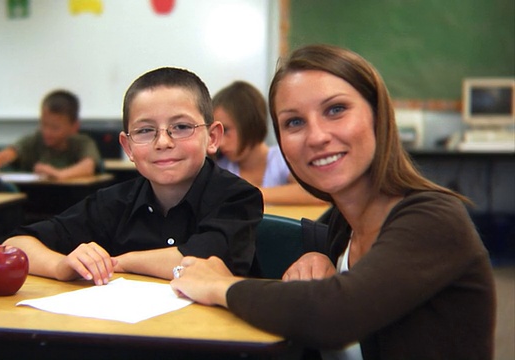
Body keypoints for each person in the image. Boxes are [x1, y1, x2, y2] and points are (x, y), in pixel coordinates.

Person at [170, 44, 495, 359]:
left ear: (377, 115)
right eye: (294, 122)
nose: (317, 136)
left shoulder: (433, 219)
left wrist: (220, 286)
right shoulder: (344, 223)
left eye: (336, 110)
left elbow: (334, 315)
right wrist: (317, 253)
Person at [3, 67, 263, 286]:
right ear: (128, 147)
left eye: (181, 127)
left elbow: (204, 261)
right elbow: (16, 245)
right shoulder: (112, 203)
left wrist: (120, 262)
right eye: (145, 130)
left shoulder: (238, 198)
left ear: (213, 137)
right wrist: (61, 265)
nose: (163, 142)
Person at [213, 80, 325, 205]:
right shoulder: (220, 167)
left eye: (226, 130)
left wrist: (251, 194)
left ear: (249, 124)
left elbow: (318, 194)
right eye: (215, 132)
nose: (220, 143)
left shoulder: (282, 157)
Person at [0, 89, 102, 180]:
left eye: (55, 128)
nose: (47, 132)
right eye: (44, 124)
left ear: (74, 127)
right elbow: (9, 153)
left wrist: (59, 174)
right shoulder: (35, 140)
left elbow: (88, 166)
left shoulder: (82, 143)